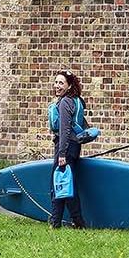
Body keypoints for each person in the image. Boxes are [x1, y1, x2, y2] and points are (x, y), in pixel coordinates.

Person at [48, 70, 87, 229]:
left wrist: (62, 154)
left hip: (64, 147)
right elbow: (83, 126)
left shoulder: (65, 102)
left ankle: (67, 222)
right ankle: (67, 222)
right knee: (65, 183)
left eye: (61, 83)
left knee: (58, 183)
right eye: (56, 82)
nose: (57, 86)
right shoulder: (78, 101)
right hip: (74, 147)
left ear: (69, 85)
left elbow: (64, 129)